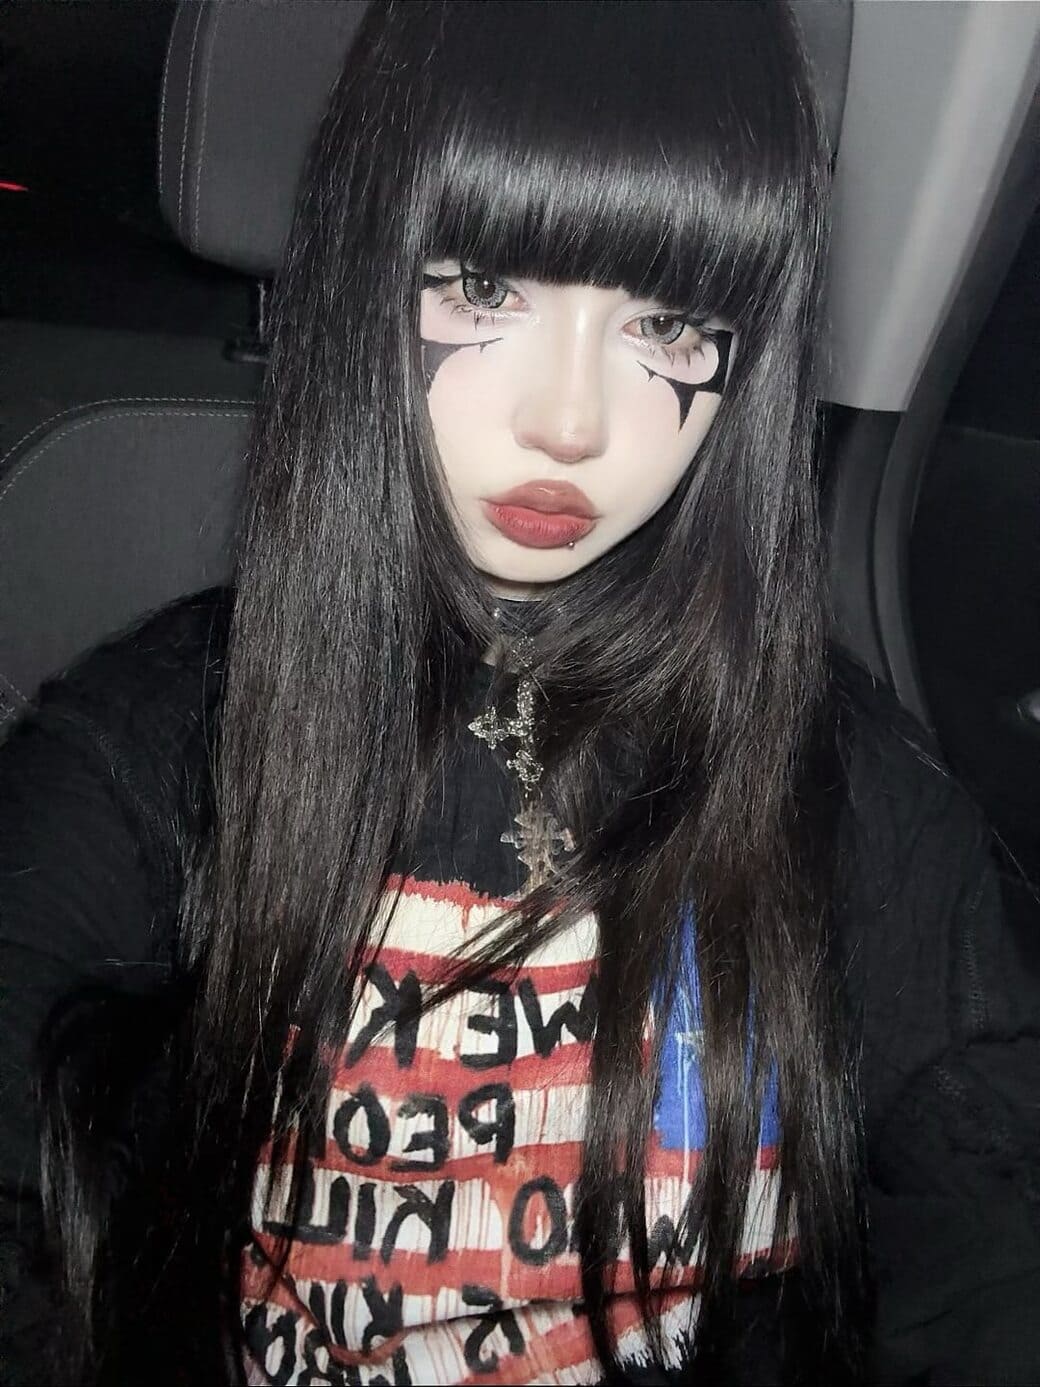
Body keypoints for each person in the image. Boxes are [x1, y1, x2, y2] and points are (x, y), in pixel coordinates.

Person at [1, 2, 1038, 1384]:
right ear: (368, 280)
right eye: (486, 288)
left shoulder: (843, 783)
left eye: (669, 322)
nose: (571, 419)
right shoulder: (150, 749)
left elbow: (993, 1223)